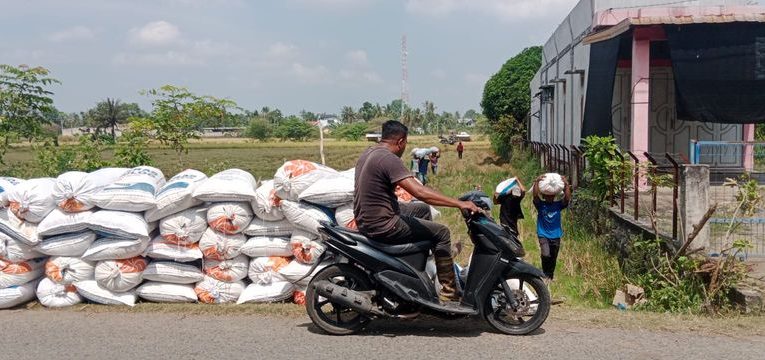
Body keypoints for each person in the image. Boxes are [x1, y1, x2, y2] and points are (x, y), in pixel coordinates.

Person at [353, 120, 481, 303]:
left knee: (421, 210)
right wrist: (459, 204)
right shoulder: (388, 158)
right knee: (442, 233)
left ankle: (429, 256)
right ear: (401, 141)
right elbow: (420, 192)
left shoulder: (370, 152)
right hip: (383, 224)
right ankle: (449, 292)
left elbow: (420, 201)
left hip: (369, 217)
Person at [532, 175, 571, 281]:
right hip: (543, 234)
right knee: (545, 254)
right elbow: (535, 197)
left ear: (554, 196)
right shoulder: (541, 205)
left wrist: (566, 185)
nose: (550, 197)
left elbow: (567, 199)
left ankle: (550, 275)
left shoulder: (558, 205)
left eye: (552, 196)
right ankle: (544, 273)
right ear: (544, 196)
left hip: (556, 235)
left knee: (553, 256)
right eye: (548, 196)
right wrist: (537, 181)